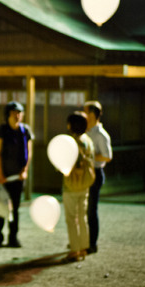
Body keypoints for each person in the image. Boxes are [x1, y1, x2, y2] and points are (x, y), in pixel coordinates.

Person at [0, 101, 33, 248]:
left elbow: (29, 151)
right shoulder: (1, 130)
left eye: (20, 113)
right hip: (3, 175)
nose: (18, 116)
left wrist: (25, 169)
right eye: (14, 113)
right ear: (7, 115)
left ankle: (13, 237)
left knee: (15, 207)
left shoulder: (25, 130)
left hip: (18, 177)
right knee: (0, 207)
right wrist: (0, 173)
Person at [63, 112, 95, 262]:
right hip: (85, 184)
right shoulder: (88, 141)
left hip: (71, 185)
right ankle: (84, 247)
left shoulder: (70, 142)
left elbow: (64, 163)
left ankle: (74, 250)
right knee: (83, 217)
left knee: (71, 218)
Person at [83, 101, 112, 254]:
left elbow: (107, 156)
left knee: (92, 210)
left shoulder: (101, 134)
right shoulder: (85, 132)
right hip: (86, 172)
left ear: (93, 114)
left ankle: (92, 243)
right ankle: (82, 240)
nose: (83, 115)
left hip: (95, 172)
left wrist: (90, 156)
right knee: (83, 208)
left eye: (85, 112)